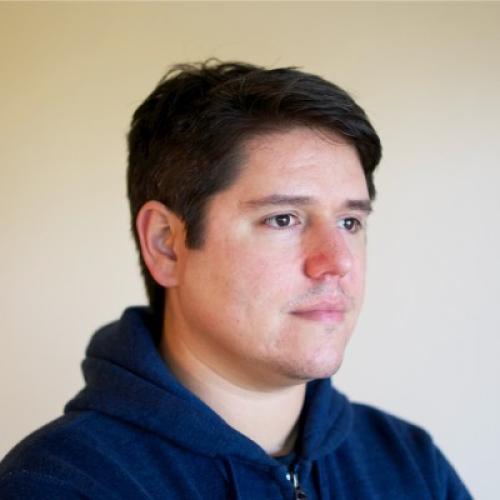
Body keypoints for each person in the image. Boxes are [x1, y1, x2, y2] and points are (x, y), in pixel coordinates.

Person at [0, 60, 471, 499]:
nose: (336, 262)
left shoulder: (412, 465)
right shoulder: (60, 485)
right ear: (166, 244)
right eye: (283, 219)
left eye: (350, 222)